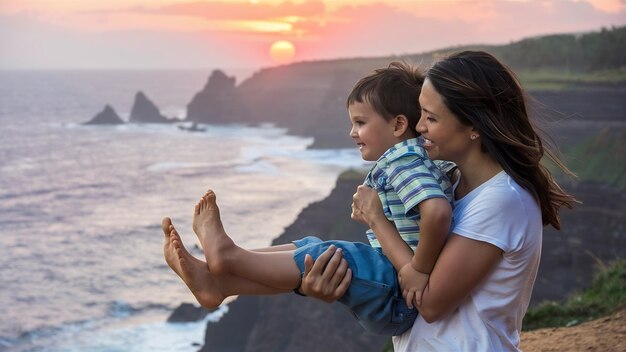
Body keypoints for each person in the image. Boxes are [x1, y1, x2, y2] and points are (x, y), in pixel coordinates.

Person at [301, 50, 579, 351]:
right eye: (421, 113)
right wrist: (340, 287)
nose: (418, 127)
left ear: (474, 126)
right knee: (310, 250)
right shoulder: (450, 181)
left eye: (431, 118)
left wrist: (377, 220)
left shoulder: (501, 200)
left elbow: (430, 303)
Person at [162, 62, 454, 336]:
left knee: (333, 254)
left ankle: (230, 258)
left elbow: (438, 212)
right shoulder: (409, 162)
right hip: (393, 288)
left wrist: (417, 270)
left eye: (361, 122)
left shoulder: (404, 163)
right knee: (312, 248)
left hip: (399, 295)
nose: (352, 132)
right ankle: (219, 283)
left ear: (398, 125)